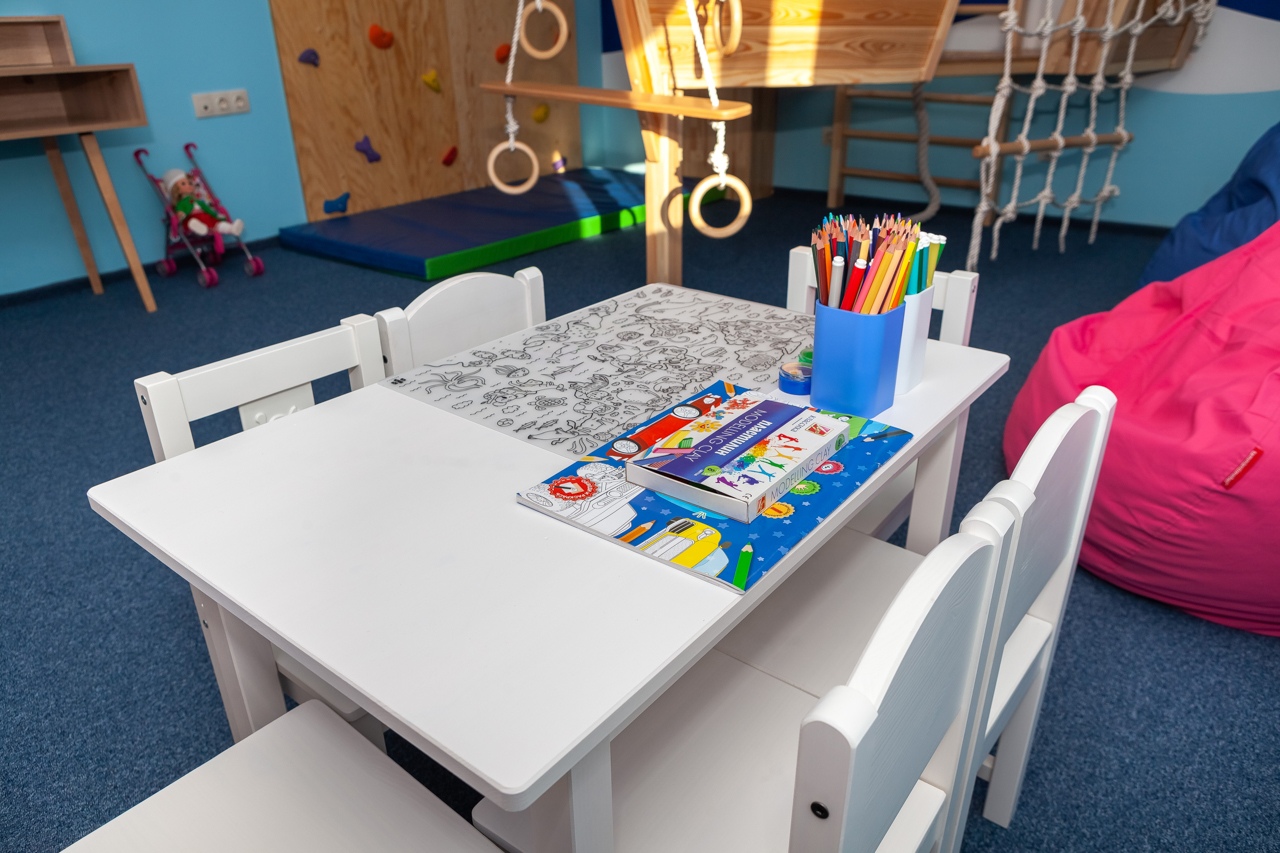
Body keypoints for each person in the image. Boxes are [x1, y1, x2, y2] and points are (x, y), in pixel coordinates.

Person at [161, 169, 244, 237]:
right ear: (177, 190)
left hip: (205, 217)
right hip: (191, 218)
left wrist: (215, 215)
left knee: (217, 223)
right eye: (183, 184)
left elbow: (206, 208)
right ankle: (201, 228)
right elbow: (179, 211)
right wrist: (181, 214)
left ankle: (232, 229)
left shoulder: (198, 201)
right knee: (192, 222)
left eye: (190, 183)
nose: (189, 185)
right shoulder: (181, 203)